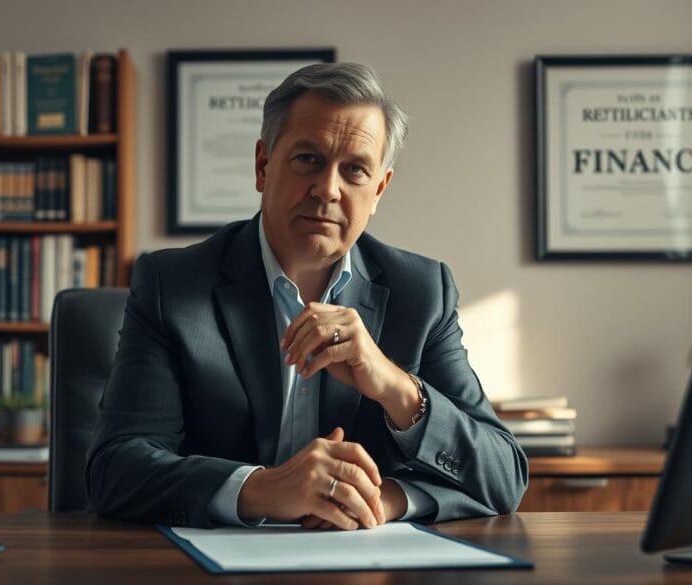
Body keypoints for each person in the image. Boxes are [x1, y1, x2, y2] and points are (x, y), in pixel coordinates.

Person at [87, 62, 527, 529]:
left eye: (354, 170)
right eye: (308, 160)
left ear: (379, 189)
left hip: (366, 560)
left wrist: (392, 393)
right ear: (263, 165)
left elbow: (503, 475)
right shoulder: (172, 284)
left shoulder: (421, 292)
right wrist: (264, 489)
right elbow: (116, 469)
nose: (327, 190)